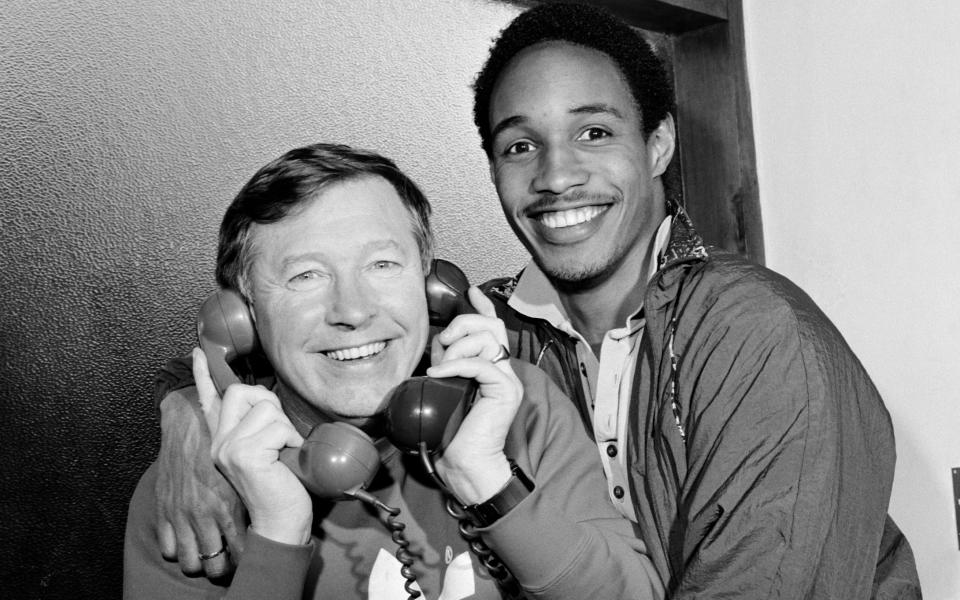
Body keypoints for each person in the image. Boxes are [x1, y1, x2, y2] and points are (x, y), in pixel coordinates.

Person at [150, 3, 922, 598]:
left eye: (592, 133)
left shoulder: (758, 337)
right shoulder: (487, 334)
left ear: (657, 145)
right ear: (492, 170)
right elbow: (339, 344)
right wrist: (192, 412)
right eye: (520, 145)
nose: (556, 176)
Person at [123, 143, 663, 599]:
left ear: (430, 288)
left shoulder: (522, 407)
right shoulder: (192, 487)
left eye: (383, 265)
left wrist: (487, 479)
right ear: (240, 319)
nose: (353, 312)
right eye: (307, 276)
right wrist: (277, 537)